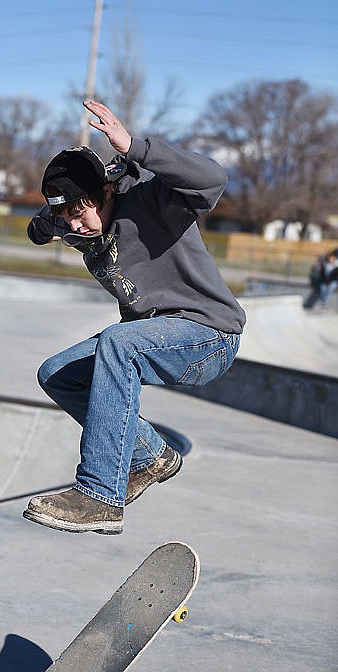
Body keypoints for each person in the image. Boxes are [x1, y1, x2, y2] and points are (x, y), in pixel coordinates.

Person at [22, 99, 246, 535]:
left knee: (118, 342)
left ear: (106, 191)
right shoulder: (69, 221)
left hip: (208, 333)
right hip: (154, 335)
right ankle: (150, 456)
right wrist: (45, 226)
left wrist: (135, 148)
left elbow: (213, 180)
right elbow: (43, 225)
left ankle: (99, 495)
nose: (79, 227)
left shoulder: (151, 201)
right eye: (67, 218)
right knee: (57, 374)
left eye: (82, 212)